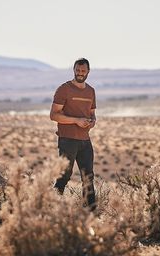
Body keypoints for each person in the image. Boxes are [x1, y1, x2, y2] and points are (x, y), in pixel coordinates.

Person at [50, 57, 97, 210]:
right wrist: (76, 121)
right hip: (67, 140)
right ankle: (52, 208)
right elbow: (54, 115)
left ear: (88, 71)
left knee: (88, 177)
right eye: (78, 70)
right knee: (64, 176)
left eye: (83, 71)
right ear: (74, 70)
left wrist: (92, 121)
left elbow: (92, 113)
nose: (80, 73)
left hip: (85, 140)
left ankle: (90, 212)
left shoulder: (91, 91)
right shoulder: (64, 89)